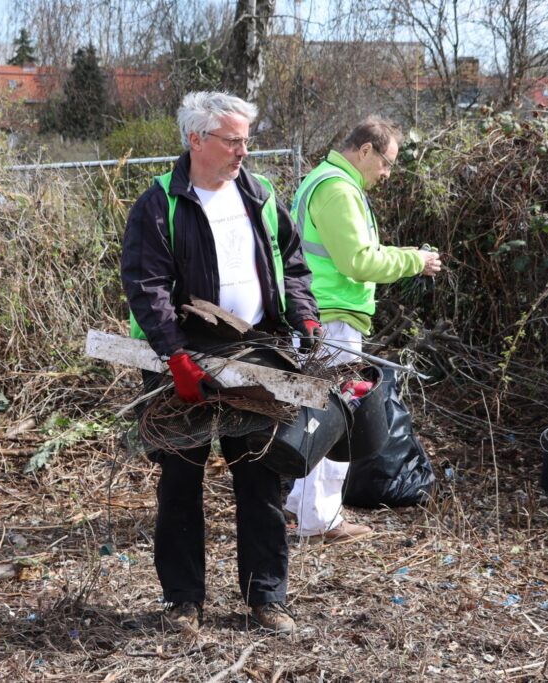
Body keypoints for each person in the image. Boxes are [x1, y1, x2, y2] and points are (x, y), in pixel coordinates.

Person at [121, 91, 320, 634]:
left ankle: (266, 598)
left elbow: (293, 265)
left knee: (261, 475)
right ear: (196, 139)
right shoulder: (159, 203)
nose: (242, 151)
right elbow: (146, 287)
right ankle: (183, 602)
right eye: (233, 141)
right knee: (179, 481)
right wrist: (175, 357)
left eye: (246, 140)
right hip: (181, 361)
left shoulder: (259, 194)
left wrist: (304, 318)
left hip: (256, 353)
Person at [284, 116, 442, 542]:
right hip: (330, 318)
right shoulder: (338, 189)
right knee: (332, 418)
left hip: (318, 315)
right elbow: (358, 261)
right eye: (386, 162)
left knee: (315, 414)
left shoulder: (324, 180)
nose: (387, 173)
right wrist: (414, 260)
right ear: (366, 150)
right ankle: (320, 520)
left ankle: (303, 505)